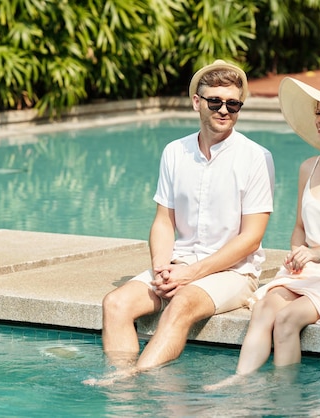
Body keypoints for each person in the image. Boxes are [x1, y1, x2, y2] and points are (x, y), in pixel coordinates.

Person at [85, 60, 275, 385]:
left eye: (233, 104)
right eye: (215, 101)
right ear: (197, 102)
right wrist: (161, 268)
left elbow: (252, 238)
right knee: (115, 303)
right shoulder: (174, 152)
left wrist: (190, 274)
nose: (224, 110)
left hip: (233, 272)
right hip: (178, 265)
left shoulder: (256, 157)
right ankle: (124, 393)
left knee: (182, 304)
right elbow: (163, 221)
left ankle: (136, 378)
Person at [205, 77, 320, 390]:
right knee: (264, 307)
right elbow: (300, 229)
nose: (319, 119)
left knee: (287, 319)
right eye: (318, 112)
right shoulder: (308, 167)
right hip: (311, 273)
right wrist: (297, 255)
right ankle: (240, 381)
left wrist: (318, 254)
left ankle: (285, 396)